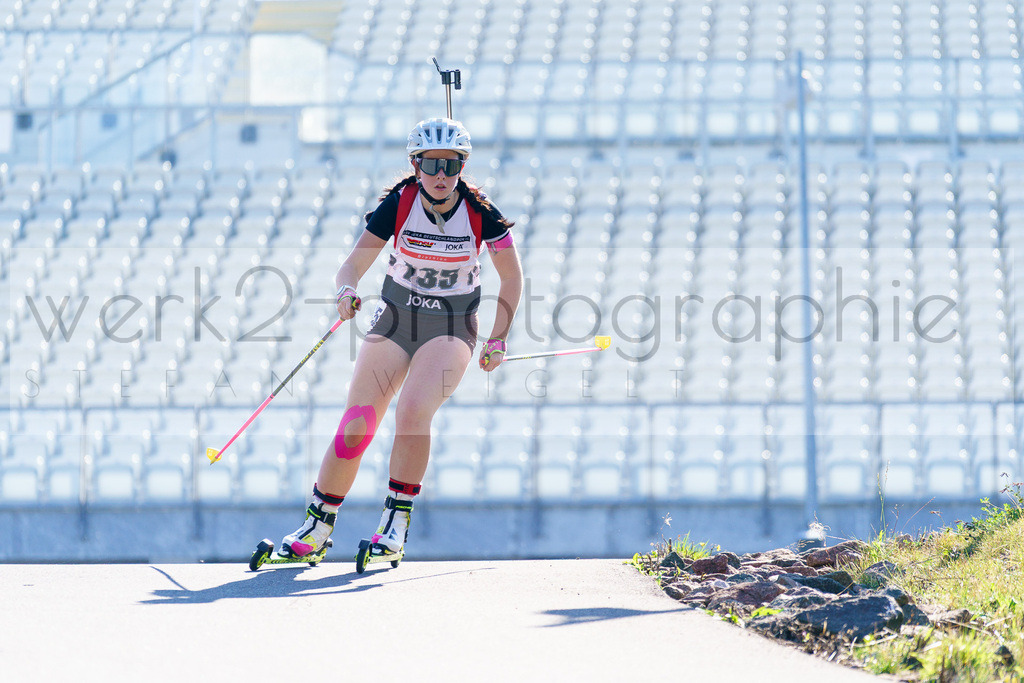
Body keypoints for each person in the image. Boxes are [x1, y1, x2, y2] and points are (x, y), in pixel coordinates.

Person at [279, 117, 523, 559]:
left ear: (463, 166)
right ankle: (315, 529)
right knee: (357, 425)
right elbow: (351, 266)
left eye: (452, 165)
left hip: (450, 327)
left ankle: (394, 526)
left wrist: (499, 338)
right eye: (431, 164)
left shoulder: (480, 213)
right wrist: (346, 291)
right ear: (414, 163)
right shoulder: (399, 202)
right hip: (395, 319)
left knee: (412, 412)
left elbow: (512, 278)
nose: (441, 176)